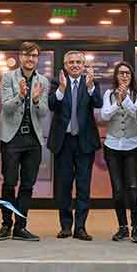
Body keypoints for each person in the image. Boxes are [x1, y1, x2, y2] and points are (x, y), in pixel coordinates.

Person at [0, 41, 50, 241]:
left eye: (34, 55)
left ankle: (21, 226)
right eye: (27, 55)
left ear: (37, 58)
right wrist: (21, 95)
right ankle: (5, 224)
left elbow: (44, 112)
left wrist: (35, 100)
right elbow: (7, 107)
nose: (31, 59)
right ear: (20, 57)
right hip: (11, 137)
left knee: (28, 184)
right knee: (9, 182)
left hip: (32, 139)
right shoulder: (9, 77)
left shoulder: (43, 80)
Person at [48, 50, 103, 241]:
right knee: (63, 186)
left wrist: (89, 88)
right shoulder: (56, 82)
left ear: (84, 65)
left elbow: (98, 103)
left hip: (84, 142)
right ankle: (65, 226)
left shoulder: (91, 82)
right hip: (63, 142)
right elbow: (51, 105)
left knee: (83, 186)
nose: (75, 65)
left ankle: (80, 227)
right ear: (65, 65)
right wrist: (62, 89)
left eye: (79, 62)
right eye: (71, 62)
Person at [100, 61, 137, 243]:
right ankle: (122, 227)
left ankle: (136, 227)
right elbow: (104, 116)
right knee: (118, 190)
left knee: (133, 188)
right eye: (121, 73)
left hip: (133, 145)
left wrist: (125, 99)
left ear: (132, 76)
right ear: (116, 76)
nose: (124, 76)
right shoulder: (109, 94)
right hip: (112, 146)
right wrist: (117, 101)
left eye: (127, 73)